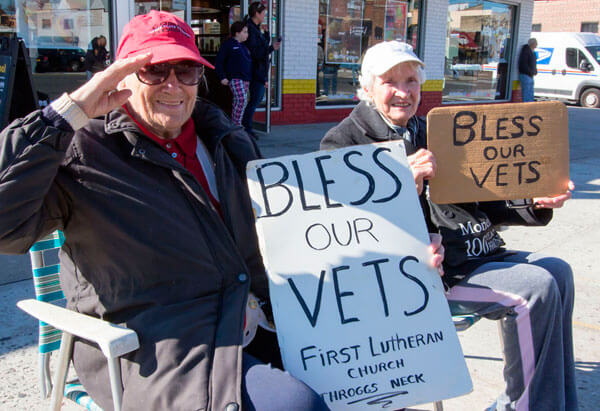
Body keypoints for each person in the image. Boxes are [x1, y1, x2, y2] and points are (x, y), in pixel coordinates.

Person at [0, 11, 327, 411]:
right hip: (159, 350)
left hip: (252, 315)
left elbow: (291, 229)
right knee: (296, 406)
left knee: (364, 375)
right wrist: (67, 113)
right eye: (153, 70)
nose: (172, 84)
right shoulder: (82, 152)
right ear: (120, 77)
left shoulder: (225, 138)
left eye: (186, 70)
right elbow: (6, 227)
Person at [321, 40, 578, 411]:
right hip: (415, 277)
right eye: (390, 81)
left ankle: (554, 403)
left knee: (559, 271)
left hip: (470, 250)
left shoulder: (434, 130)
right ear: (367, 87)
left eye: (411, 81)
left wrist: (532, 199)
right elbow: (334, 229)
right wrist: (396, 185)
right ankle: (523, 406)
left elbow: (486, 190)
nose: (403, 92)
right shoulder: (340, 143)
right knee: (534, 287)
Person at [242, 1, 281, 139]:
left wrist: (268, 41)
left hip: (258, 71)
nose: (265, 15)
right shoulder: (251, 30)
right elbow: (256, 53)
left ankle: (246, 127)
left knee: (254, 101)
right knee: (254, 101)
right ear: (257, 13)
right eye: (263, 12)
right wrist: (270, 46)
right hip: (255, 72)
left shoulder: (255, 28)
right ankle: (246, 128)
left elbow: (259, 51)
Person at [215, 21, 251, 126]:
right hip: (235, 78)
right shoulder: (228, 44)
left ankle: (235, 124)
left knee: (240, 102)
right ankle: (236, 124)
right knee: (241, 99)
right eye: (244, 32)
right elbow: (219, 62)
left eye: (247, 32)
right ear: (237, 33)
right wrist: (222, 77)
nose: (247, 34)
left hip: (245, 79)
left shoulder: (244, 47)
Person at [518, 38, 538, 102]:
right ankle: (526, 107)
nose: (537, 44)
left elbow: (533, 63)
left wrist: (535, 71)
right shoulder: (526, 51)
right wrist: (530, 71)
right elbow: (523, 64)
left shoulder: (533, 52)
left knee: (530, 93)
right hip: (525, 75)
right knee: (526, 93)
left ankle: (530, 107)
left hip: (530, 76)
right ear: (532, 44)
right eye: (535, 43)